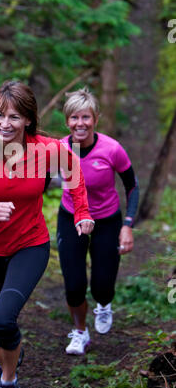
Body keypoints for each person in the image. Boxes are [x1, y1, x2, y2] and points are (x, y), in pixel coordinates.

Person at [0, 81, 94, 388]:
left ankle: (8, 381)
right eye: (0, 115)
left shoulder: (47, 149)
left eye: (14, 117)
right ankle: (12, 357)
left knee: (3, 320)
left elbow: (75, 174)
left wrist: (82, 213)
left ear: (28, 119)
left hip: (30, 245)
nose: (5, 123)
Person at [56, 87, 139, 355]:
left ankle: (103, 304)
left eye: (86, 117)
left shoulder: (112, 149)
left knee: (102, 286)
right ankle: (80, 332)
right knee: (74, 284)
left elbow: (132, 186)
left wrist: (127, 225)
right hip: (71, 217)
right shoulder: (58, 149)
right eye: (74, 118)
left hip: (106, 220)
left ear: (96, 119)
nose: (80, 124)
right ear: (67, 120)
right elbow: (39, 181)